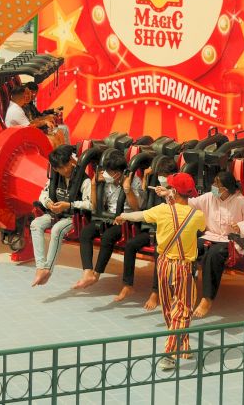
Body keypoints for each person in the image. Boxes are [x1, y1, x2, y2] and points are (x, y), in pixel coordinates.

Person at [115, 173, 206, 370]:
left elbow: (139, 215)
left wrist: (123, 216)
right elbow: (201, 227)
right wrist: (171, 196)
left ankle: (183, 346)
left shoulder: (162, 210)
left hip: (163, 265)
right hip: (184, 267)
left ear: (173, 191)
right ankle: (170, 354)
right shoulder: (197, 215)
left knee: (168, 308)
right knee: (182, 310)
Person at [188, 170, 244, 318]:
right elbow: (190, 203)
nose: (213, 186)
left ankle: (207, 299)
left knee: (213, 255)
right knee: (190, 248)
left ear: (226, 189)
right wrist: (171, 195)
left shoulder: (240, 201)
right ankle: (185, 292)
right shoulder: (210, 197)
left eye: (217, 184)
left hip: (230, 240)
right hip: (211, 235)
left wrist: (240, 226)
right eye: (214, 183)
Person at [73, 149, 142, 290]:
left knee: (108, 237)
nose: (106, 174)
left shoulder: (134, 181)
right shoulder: (106, 181)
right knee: (86, 233)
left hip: (126, 221)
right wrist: (94, 185)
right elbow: (95, 206)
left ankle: (96, 275)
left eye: (109, 172)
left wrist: (127, 189)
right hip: (106, 217)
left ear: (119, 173)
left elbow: (137, 207)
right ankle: (87, 272)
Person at [113, 154, 177, 307]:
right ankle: (127, 285)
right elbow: (145, 211)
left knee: (159, 252)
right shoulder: (154, 188)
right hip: (151, 230)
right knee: (130, 245)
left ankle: (155, 292)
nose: (162, 179)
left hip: (169, 234)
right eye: (160, 175)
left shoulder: (177, 192)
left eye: (165, 176)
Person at [30, 144, 89, 287]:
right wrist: (49, 203)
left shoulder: (84, 180)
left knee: (57, 229)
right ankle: (40, 267)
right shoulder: (55, 177)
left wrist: (68, 205)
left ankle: (47, 270)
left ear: (71, 161)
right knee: (35, 224)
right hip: (55, 213)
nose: (64, 170)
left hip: (74, 217)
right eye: (59, 168)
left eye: (65, 166)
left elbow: (90, 204)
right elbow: (43, 194)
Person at [5, 76, 68, 146]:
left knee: (57, 134)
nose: (31, 96)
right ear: (24, 96)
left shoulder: (18, 107)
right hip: (20, 141)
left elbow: (32, 122)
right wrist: (44, 122)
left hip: (25, 136)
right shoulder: (15, 110)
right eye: (29, 94)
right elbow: (31, 126)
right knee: (53, 139)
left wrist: (45, 120)